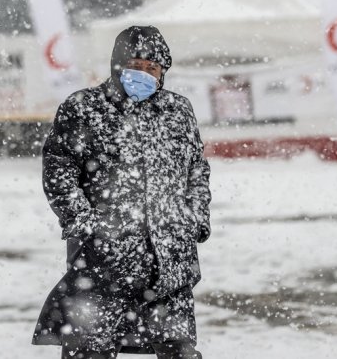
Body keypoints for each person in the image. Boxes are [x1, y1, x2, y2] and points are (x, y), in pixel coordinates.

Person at [32, 26, 211, 358]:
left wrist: (194, 218)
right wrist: (84, 224)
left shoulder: (177, 111)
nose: (144, 74)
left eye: (152, 68)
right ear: (118, 66)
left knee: (179, 351)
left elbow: (196, 169)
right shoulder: (84, 107)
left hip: (167, 263)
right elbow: (59, 171)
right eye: (136, 65)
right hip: (102, 265)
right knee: (88, 350)